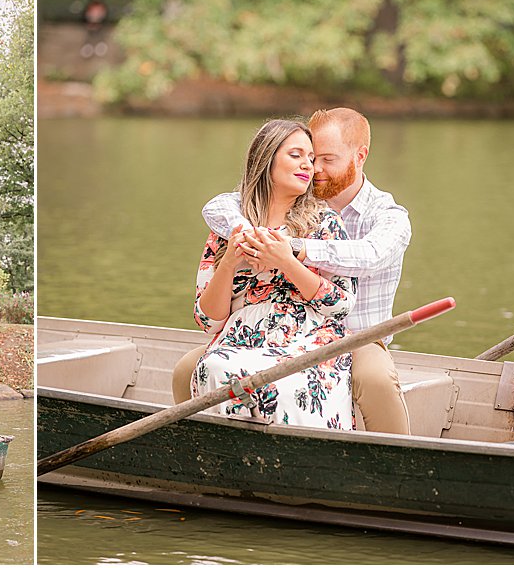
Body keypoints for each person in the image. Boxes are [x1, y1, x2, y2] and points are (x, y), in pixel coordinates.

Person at [172, 108, 414, 433]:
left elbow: (369, 256)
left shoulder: (384, 214)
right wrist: (246, 238)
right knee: (187, 369)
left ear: (360, 156)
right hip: (255, 333)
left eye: (324, 159)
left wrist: (290, 249)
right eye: (308, 156)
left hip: (357, 336)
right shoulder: (291, 196)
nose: (314, 168)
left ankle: (398, 465)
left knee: (376, 380)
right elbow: (221, 205)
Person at [188, 119, 358, 428]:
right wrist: (229, 263)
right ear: (267, 158)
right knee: (213, 367)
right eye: (296, 155)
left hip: (307, 339)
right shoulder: (228, 226)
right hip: (240, 340)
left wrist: (287, 262)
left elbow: (342, 305)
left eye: (311, 157)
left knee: (276, 382)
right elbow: (207, 320)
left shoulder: (325, 224)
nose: (308, 164)